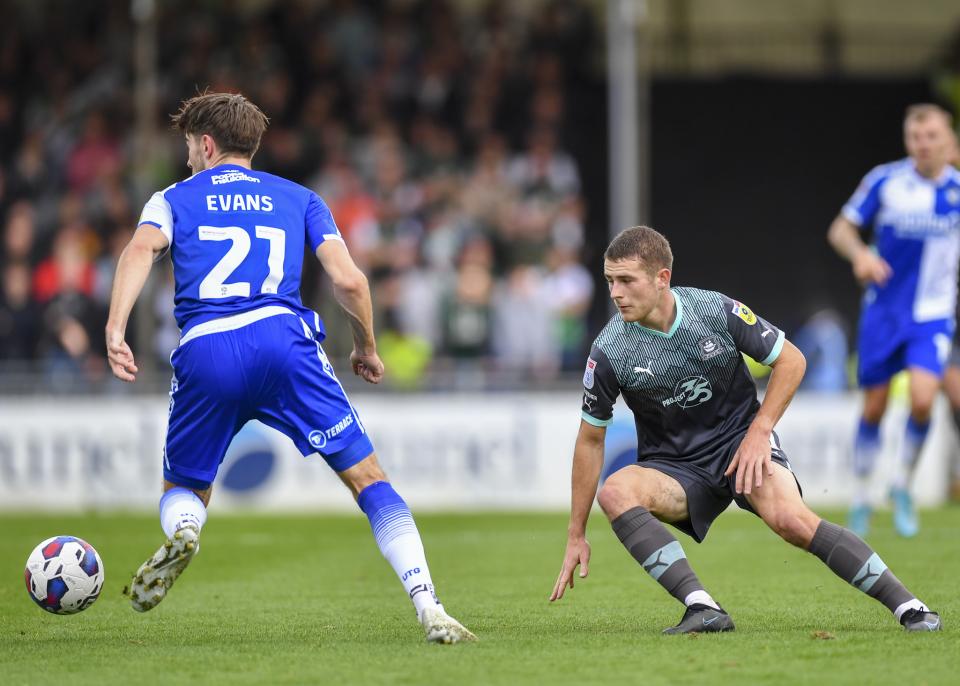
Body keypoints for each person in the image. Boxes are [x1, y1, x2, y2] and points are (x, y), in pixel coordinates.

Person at [105, 92, 475, 644]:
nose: (187, 160)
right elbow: (350, 281)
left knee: (182, 486)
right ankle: (429, 606)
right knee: (369, 480)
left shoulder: (172, 198)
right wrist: (366, 346)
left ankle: (185, 528)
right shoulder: (300, 197)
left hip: (207, 346)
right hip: (286, 341)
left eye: (188, 148)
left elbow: (139, 252)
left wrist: (115, 328)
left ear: (206, 145)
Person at [549, 226, 940, 634]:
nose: (615, 292)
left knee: (792, 521)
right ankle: (703, 608)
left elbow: (792, 361)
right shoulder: (609, 350)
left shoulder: (714, 311)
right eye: (610, 280)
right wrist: (576, 533)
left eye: (626, 280)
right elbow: (590, 440)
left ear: (662, 278)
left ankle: (911, 608)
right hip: (676, 468)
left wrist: (760, 431)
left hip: (742, 446)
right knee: (615, 491)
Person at [827, 103, 960, 537]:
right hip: (883, 313)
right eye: (915, 137)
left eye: (932, 136)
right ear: (908, 141)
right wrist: (861, 254)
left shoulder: (957, 189)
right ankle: (864, 493)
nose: (923, 144)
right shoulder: (885, 180)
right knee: (875, 406)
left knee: (923, 400)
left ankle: (901, 483)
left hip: (933, 316)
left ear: (948, 140)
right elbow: (841, 230)